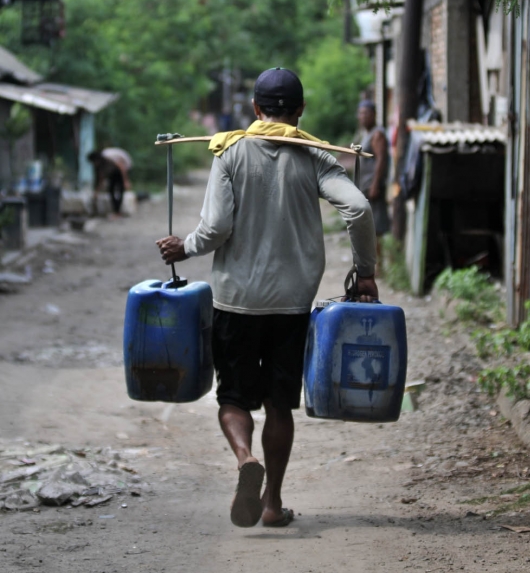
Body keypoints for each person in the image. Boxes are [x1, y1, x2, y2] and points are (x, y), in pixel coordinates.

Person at [156, 68, 377, 529]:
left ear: (256, 109)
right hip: (293, 304)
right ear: (299, 111)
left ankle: (243, 459)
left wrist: (185, 247)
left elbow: (216, 229)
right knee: (280, 402)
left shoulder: (229, 152)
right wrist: (366, 273)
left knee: (234, 398)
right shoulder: (315, 155)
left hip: (236, 299)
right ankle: (273, 503)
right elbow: (357, 208)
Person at [354, 100, 390, 267]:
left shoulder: (377, 134)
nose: (363, 117)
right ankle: (372, 263)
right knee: (367, 228)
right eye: (360, 113)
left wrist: (376, 184)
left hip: (372, 188)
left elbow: (381, 159)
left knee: (375, 229)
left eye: (366, 113)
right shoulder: (365, 134)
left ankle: (378, 265)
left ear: (374, 115)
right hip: (366, 188)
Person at [87, 147, 132, 215]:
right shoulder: (101, 164)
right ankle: (116, 211)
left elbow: (122, 167)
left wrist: (125, 181)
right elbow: (101, 177)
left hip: (122, 168)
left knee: (120, 190)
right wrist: (96, 191)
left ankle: (118, 212)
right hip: (113, 171)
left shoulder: (109, 157)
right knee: (111, 190)